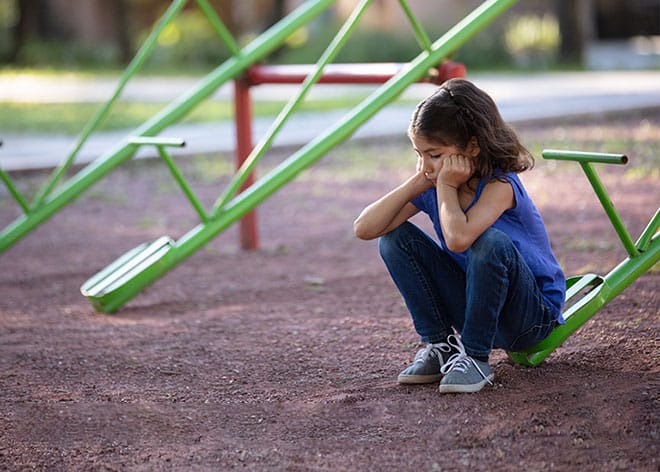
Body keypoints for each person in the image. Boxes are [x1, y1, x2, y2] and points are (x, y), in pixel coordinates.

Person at [353, 78, 566, 394]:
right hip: (476, 307)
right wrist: (417, 183)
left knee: (490, 242)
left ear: (472, 147)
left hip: (528, 319)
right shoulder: (432, 185)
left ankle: (477, 358)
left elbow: (458, 238)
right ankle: (442, 346)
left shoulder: (500, 187)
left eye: (434, 155)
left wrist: (446, 187)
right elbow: (365, 229)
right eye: (419, 154)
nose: (426, 165)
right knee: (394, 238)